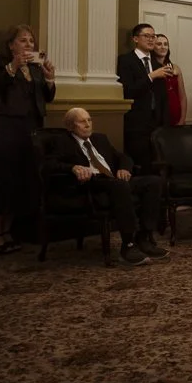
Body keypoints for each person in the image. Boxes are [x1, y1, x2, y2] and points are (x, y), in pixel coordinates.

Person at [43, 108, 169, 266]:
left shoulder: (100, 139)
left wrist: (124, 168)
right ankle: (128, 245)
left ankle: (144, 237)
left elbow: (123, 157)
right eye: (82, 121)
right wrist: (73, 168)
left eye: (89, 120)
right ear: (70, 126)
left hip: (113, 179)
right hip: (90, 183)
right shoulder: (62, 142)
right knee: (120, 186)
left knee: (154, 181)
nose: (88, 124)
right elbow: (49, 165)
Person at [0, 25, 56, 253]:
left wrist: (49, 79)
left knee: (19, 182)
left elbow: (46, 97)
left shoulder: (36, 68)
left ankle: (8, 231)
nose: (29, 45)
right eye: (23, 41)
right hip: (1, 127)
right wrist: (13, 67)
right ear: (10, 45)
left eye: (31, 41)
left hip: (28, 128)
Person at [117, 24, 169, 174]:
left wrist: (165, 123)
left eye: (153, 36)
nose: (151, 39)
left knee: (157, 164)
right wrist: (151, 76)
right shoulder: (126, 61)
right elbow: (127, 90)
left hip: (156, 122)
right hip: (136, 122)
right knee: (140, 164)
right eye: (147, 36)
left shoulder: (156, 63)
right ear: (135, 39)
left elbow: (163, 97)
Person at [153, 34, 187, 126]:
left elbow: (182, 96)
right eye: (159, 44)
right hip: (160, 115)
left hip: (176, 113)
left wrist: (182, 119)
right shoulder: (151, 68)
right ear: (153, 47)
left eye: (165, 44)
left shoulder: (176, 68)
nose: (163, 47)